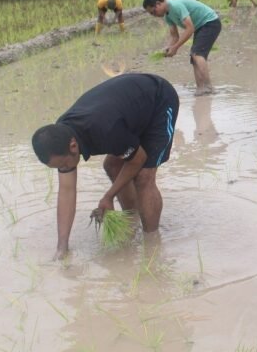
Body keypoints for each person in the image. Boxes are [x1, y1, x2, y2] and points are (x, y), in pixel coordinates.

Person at [31, 73, 179, 260]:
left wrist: (108, 196)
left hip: (158, 100)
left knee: (143, 177)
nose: (65, 168)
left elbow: (138, 158)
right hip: (128, 112)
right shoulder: (61, 136)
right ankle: (131, 218)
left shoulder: (105, 129)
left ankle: (152, 241)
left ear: (73, 146)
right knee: (112, 166)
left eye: (64, 164)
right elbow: (66, 190)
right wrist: (62, 247)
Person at [143, 0, 222, 96]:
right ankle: (200, 89)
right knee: (194, 57)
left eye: (153, 12)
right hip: (200, 26)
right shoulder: (167, 16)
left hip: (210, 22)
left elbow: (190, 28)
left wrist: (175, 47)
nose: (155, 15)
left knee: (197, 54)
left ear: (158, 4)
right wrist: (168, 48)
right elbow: (175, 37)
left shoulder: (175, 5)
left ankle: (209, 87)